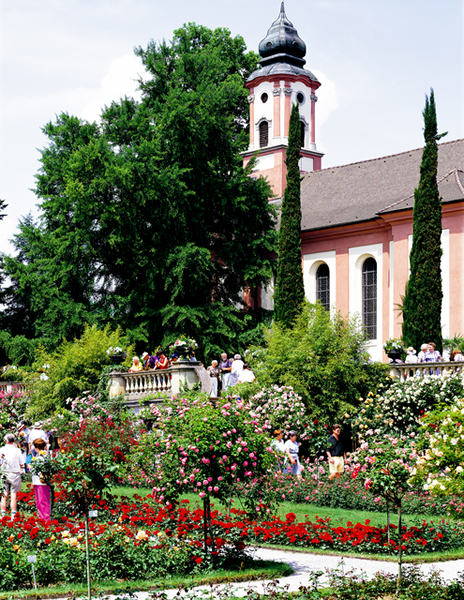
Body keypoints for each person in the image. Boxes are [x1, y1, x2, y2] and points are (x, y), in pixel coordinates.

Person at [0, 433, 24, 519]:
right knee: (13, 495)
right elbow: (21, 463)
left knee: (4, 494)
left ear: (5, 440)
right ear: (14, 441)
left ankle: (3, 515)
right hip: (14, 473)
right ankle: (13, 516)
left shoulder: (1, 449)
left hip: (4, 473)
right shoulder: (17, 450)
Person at [31, 438, 51, 521]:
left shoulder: (42, 457)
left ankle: (46, 518)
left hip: (41, 482)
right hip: (38, 482)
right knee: (39, 501)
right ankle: (42, 517)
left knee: (43, 501)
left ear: (36, 447)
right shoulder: (43, 456)